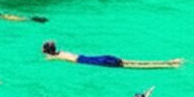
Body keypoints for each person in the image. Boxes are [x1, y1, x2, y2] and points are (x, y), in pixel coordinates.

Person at [42, 40, 183, 69]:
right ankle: (170, 61)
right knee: (130, 62)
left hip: (92, 62)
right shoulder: (61, 52)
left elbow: (47, 58)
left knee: (131, 66)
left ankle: (169, 65)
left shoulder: (53, 57)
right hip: (96, 57)